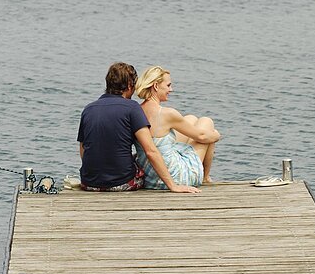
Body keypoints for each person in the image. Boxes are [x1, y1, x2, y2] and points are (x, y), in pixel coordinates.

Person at [77, 62, 200, 194]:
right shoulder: (132, 108)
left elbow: (83, 148)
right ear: (130, 85)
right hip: (121, 183)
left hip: (89, 183)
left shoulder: (88, 109)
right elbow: (150, 151)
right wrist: (173, 186)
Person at [133, 66, 221, 188]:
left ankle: (204, 175)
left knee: (190, 118)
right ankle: (205, 178)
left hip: (150, 178)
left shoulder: (135, 111)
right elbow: (202, 136)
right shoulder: (167, 114)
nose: (171, 89)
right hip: (175, 178)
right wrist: (217, 135)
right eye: (168, 85)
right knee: (207, 123)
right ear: (156, 86)